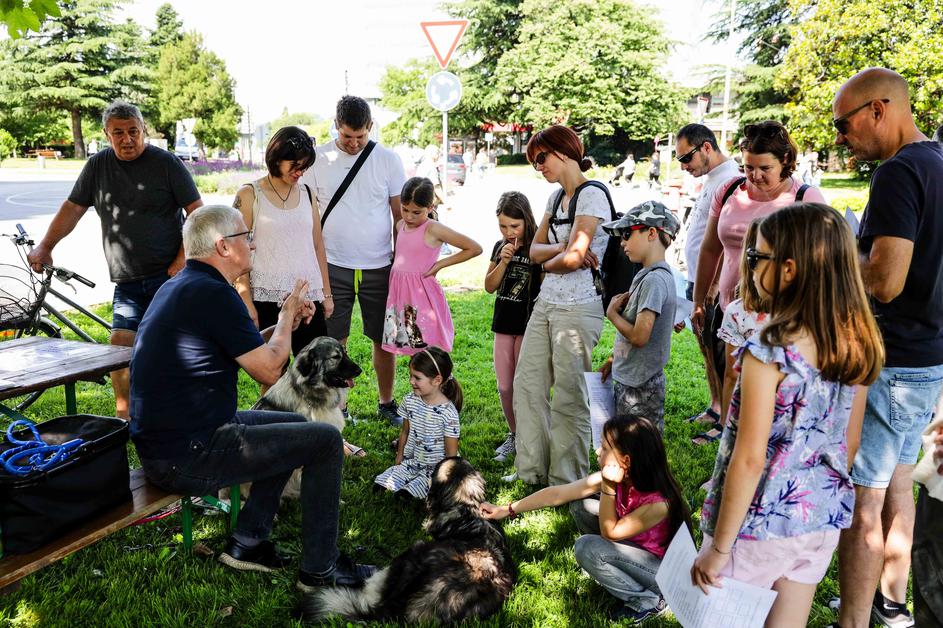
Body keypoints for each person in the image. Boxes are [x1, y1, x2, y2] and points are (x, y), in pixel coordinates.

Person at [129, 204, 375, 592]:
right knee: (326, 440)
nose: (254, 243)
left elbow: (249, 350)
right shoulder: (212, 293)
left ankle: (249, 541)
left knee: (290, 426)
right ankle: (321, 570)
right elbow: (268, 369)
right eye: (246, 236)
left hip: (177, 442)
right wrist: (288, 315)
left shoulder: (188, 285)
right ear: (223, 246)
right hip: (186, 454)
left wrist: (285, 323)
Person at [691, 203, 883, 628]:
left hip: (757, 522)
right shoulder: (855, 343)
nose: (750, 267)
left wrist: (719, 549)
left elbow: (749, 457)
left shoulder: (768, 348)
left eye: (758, 257)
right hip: (818, 519)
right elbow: (849, 444)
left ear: (790, 269)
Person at [830, 68, 943, 628]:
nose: (839, 139)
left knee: (863, 505)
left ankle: (851, 620)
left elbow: (886, 280)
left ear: (878, 110)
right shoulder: (939, 161)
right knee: (900, 485)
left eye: (843, 125)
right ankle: (891, 604)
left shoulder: (899, 172)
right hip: (928, 361)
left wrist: (838, 251)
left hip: (894, 361)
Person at [27, 100, 203, 419]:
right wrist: (45, 246)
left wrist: (182, 258)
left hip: (169, 276)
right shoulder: (98, 166)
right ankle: (125, 413)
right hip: (127, 279)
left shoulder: (167, 164)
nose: (127, 139)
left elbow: (197, 214)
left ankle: (181, 411)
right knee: (120, 345)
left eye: (133, 131)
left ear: (143, 130)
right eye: (118, 133)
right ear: (107, 135)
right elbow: (73, 209)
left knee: (172, 347)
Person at [481, 416, 692, 622]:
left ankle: (650, 599)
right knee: (581, 505)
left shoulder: (658, 504)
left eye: (605, 448)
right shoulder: (622, 477)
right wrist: (507, 509)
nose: (598, 451)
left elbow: (610, 532)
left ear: (625, 461)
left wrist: (608, 488)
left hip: (662, 575)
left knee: (586, 547)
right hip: (635, 550)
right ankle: (608, 566)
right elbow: (558, 494)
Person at [691, 121, 826, 436]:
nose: (754, 175)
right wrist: (700, 300)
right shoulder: (728, 191)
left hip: (780, 316)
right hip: (732, 309)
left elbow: (821, 262)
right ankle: (727, 438)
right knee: (730, 377)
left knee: (768, 390)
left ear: (786, 162)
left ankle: (758, 452)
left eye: (764, 167)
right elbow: (710, 249)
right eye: (748, 166)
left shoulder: (805, 197)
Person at [511, 125, 611, 486]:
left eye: (541, 158)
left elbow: (575, 258)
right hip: (547, 302)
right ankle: (531, 470)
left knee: (570, 394)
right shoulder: (555, 201)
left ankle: (565, 479)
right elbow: (535, 252)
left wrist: (561, 256)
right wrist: (562, 250)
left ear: (564, 151)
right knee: (528, 385)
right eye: (534, 162)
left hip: (580, 306)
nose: (539, 168)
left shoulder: (593, 195)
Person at [300, 96, 406, 425]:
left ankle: (386, 402)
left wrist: (402, 264)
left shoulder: (388, 160)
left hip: (380, 264)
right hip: (332, 264)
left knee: (384, 340)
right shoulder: (318, 160)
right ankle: (338, 406)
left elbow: (399, 216)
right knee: (335, 341)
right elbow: (309, 216)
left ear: (370, 128)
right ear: (336, 125)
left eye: (361, 136)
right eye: (347, 136)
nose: (354, 143)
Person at [232, 126, 331, 362]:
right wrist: (246, 302)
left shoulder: (307, 194)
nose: (300, 173)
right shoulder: (249, 194)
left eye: (304, 167)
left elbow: (317, 245)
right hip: (266, 298)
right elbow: (237, 250)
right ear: (277, 157)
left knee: (316, 371)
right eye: (295, 165)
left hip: (308, 299)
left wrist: (326, 293)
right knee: (274, 374)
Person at [674, 124, 741, 430]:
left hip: (713, 285)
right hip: (697, 280)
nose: (684, 166)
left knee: (718, 353)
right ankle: (715, 406)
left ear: (706, 148)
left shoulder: (730, 180)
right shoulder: (712, 179)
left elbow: (726, 241)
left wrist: (711, 287)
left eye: (686, 158)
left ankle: (724, 419)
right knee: (704, 347)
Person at [597, 201, 680, 433]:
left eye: (626, 233)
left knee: (637, 453)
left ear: (651, 232)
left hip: (641, 387)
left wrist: (612, 314)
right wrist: (614, 361)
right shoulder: (647, 276)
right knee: (625, 448)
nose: (622, 242)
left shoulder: (654, 281)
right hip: (632, 379)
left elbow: (640, 336)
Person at [380, 177, 482, 358]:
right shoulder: (400, 225)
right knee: (412, 346)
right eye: (405, 210)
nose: (409, 216)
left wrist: (440, 264)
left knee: (427, 348)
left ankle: (441, 384)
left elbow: (474, 248)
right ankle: (420, 384)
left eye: (416, 212)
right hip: (402, 297)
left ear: (430, 208)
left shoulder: (433, 228)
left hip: (421, 296)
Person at [693, 220, 768, 446]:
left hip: (744, 409)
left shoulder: (737, 310)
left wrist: (725, 425)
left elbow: (731, 375)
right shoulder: (808, 314)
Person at [484, 191, 542, 463]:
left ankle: (530, 436)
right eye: (502, 226)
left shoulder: (538, 247)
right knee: (505, 386)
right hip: (504, 324)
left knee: (524, 385)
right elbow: (489, 286)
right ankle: (514, 434)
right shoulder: (500, 247)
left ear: (527, 221)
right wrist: (504, 260)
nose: (508, 232)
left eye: (514, 226)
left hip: (529, 324)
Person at [375, 347, 462, 499]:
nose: (411, 381)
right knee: (381, 483)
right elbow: (405, 431)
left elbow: (451, 454)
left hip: (436, 467)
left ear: (437, 380)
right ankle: (405, 480)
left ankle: (417, 488)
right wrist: (400, 456)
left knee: (408, 494)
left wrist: (447, 479)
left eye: (417, 378)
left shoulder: (448, 413)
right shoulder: (410, 400)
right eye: (410, 376)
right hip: (413, 460)